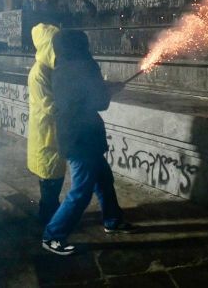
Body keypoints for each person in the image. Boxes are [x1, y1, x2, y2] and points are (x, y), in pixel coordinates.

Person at [42, 30, 136, 256]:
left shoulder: (61, 68)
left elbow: (80, 95)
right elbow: (99, 102)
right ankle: (53, 235)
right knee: (81, 191)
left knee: (103, 179)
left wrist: (104, 88)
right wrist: (110, 91)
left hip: (73, 134)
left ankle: (112, 220)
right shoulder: (86, 66)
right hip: (82, 138)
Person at [27, 23, 66, 225]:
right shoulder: (38, 73)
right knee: (50, 179)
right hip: (46, 134)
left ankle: (51, 216)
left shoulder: (51, 69)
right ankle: (49, 222)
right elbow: (50, 105)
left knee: (54, 177)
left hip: (54, 132)